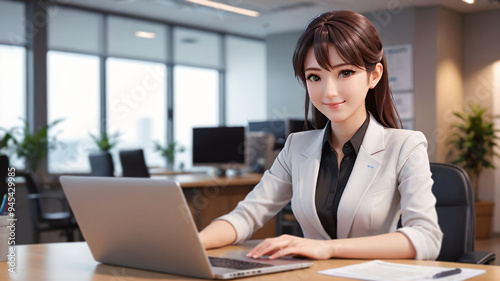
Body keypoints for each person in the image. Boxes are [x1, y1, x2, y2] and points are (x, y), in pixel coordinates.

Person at [199, 10, 442, 261]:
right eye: (314, 77)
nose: (329, 93)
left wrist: (327, 249)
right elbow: (245, 216)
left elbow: (426, 238)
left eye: (345, 73)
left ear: (374, 75)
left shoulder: (406, 146)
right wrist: (193, 244)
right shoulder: (296, 146)